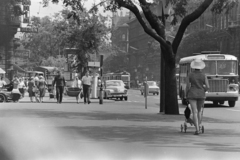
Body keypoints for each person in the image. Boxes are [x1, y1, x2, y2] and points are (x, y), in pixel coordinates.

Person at [186, 59, 210, 135]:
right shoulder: (204, 75)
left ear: (193, 67)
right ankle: (199, 126)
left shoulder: (190, 75)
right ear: (201, 67)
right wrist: (204, 90)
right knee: (199, 111)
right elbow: (208, 87)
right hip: (201, 94)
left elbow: (187, 86)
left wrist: (187, 93)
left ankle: (197, 129)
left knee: (194, 111)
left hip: (192, 94)